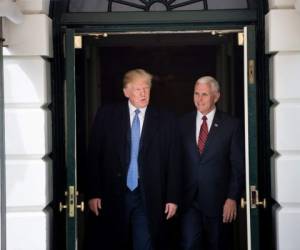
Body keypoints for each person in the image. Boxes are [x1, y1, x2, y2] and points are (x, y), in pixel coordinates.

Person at [85, 69, 180, 250]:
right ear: (126, 92)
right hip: (113, 193)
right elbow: (94, 155)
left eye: (146, 88)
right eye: (138, 89)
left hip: (148, 194)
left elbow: (174, 161)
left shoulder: (166, 119)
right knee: (112, 241)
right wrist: (94, 192)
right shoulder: (107, 115)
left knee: (144, 243)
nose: (143, 93)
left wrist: (172, 197)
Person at [179, 76, 244, 250]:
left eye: (204, 94)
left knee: (217, 245)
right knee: (189, 244)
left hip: (219, 202)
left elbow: (237, 165)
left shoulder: (232, 125)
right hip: (189, 200)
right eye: (196, 93)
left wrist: (232, 198)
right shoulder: (181, 123)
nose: (199, 99)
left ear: (216, 96)